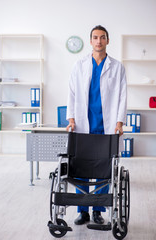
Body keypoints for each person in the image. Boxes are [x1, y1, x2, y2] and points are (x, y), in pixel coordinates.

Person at [66, 25, 127, 225]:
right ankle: (83, 211)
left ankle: (98, 211)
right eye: (95, 37)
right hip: (84, 125)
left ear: (108, 41)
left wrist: (119, 122)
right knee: (81, 168)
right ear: (90, 41)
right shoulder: (80, 65)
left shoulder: (117, 67)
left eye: (102, 37)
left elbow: (122, 96)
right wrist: (71, 118)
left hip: (106, 126)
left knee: (104, 169)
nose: (99, 41)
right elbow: (72, 93)